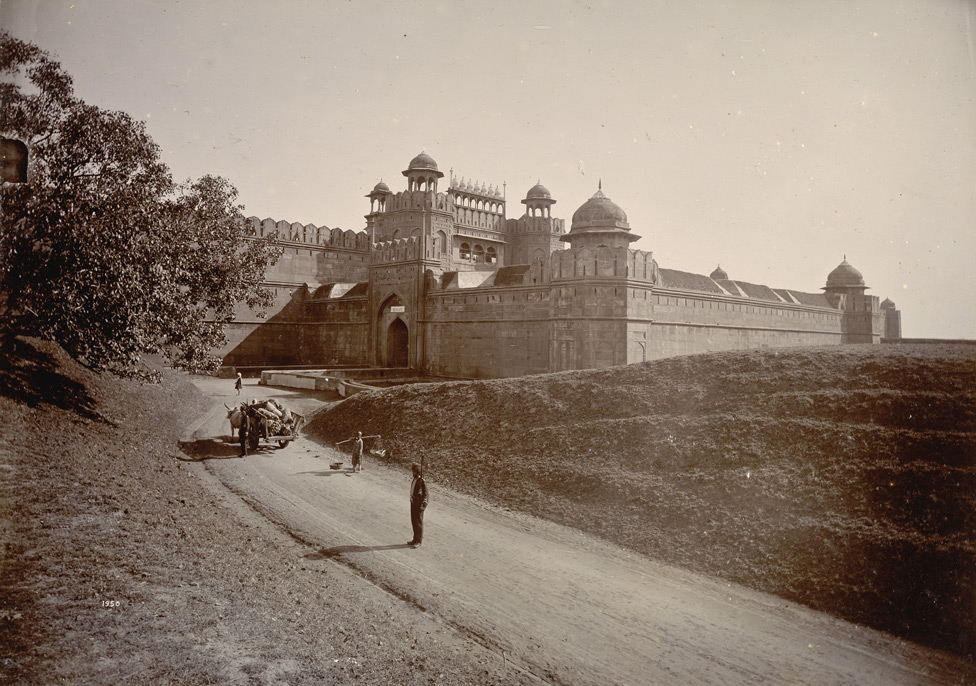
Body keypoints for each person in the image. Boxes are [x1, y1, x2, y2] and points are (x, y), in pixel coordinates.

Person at [407, 463, 428, 548]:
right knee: (414, 521)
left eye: (414, 472)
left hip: (419, 505)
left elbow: (426, 494)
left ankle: (418, 541)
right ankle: (415, 539)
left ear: (417, 472)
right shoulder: (415, 480)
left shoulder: (422, 481)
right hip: (413, 503)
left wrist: (423, 505)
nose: (413, 473)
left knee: (418, 523)